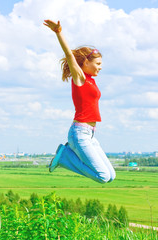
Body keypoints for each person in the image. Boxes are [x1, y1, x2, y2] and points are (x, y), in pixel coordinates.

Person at [43, 20, 116, 183]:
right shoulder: (80, 78)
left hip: (90, 134)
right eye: (97, 63)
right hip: (79, 133)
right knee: (103, 177)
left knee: (111, 176)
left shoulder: (91, 80)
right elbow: (70, 55)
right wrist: (58, 32)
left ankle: (65, 155)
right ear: (85, 63)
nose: (100, 67)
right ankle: (63, 157)